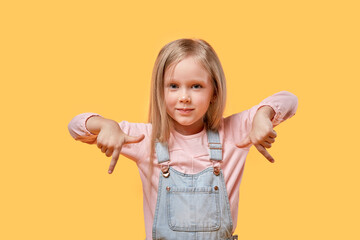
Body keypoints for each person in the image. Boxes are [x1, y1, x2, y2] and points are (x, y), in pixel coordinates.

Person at [68, 38, 298, 240]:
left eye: (196, 86)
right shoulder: (144, 139)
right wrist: (106, 125)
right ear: (160, 91)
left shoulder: (235, 132)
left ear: (214, 92)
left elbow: (289, 99)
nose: (185, 97)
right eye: (174, 86)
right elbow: (76, 126)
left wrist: (262, 115)